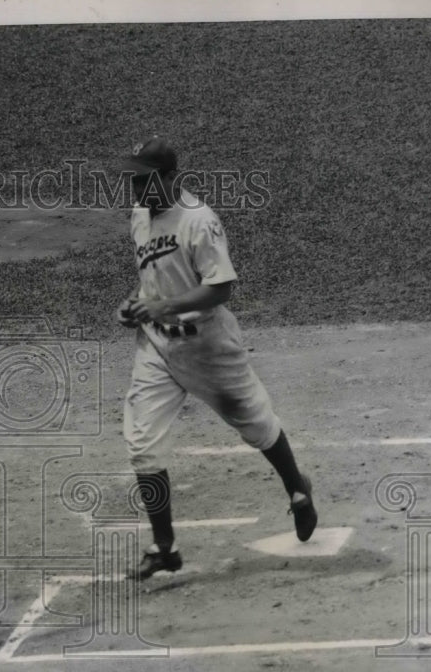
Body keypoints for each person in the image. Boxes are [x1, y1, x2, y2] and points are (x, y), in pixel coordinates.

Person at [116, 136, 318, 581]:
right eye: (132, 179)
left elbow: (221, 287)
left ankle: (297, 488)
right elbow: (153, 282)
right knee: (142, 445)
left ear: (171, 177)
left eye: (144, 179)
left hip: (207, 345)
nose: (136, 188)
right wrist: (135, 305)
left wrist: (165, 307)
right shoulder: (138, 217)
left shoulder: (199, 221)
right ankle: (164, 547)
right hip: (157, 349)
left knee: (255, 422)